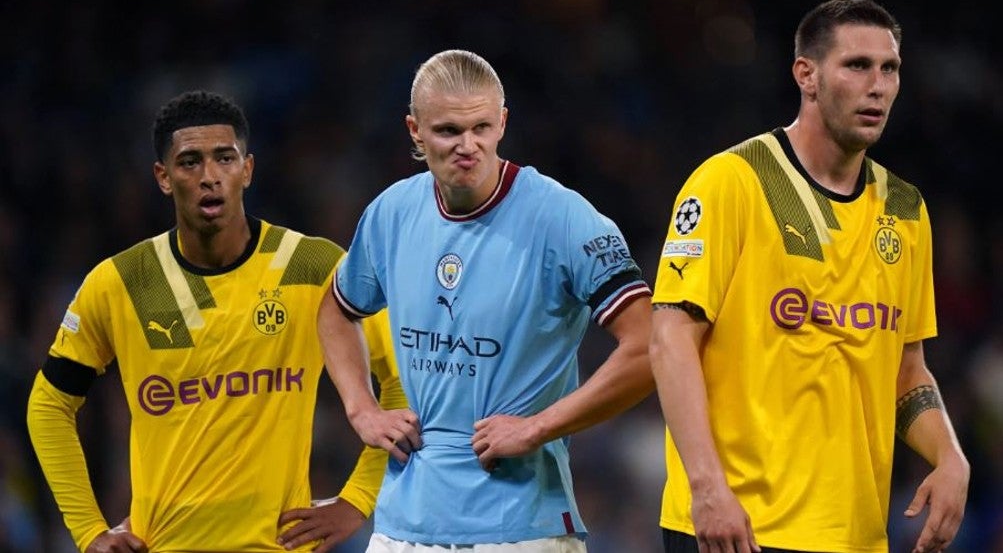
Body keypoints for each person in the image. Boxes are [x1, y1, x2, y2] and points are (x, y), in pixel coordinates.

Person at [649, 0, 970, 553]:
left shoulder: (905, 209)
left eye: (889, 68)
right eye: (857, 65)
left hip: (854, 536)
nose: (877, 86)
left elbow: (905, 367)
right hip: (735, 525)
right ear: (807, 74)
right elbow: (670, 338)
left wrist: (950, 456)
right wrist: (706, 488)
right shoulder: (731, 181)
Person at [25, 90, 407, 552]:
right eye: (189, 162)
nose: (209, 176)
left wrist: (358, 500)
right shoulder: (121, 282)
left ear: (247, 169)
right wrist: (88, 531)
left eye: (224, 158)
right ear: (163, 178)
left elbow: (402, 376)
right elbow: (48, 406)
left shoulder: (313, 268)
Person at [317, 49, 655, 551]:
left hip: (521, 526)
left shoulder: (563, 219)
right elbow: (337, 310)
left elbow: (648, 347)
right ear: (415, 130)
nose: (467, 146)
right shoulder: (392, 213)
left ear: (503, 123)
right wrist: (361, 408)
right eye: (448, 131)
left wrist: (537, 428)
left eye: (481, 128)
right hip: (402, 526)